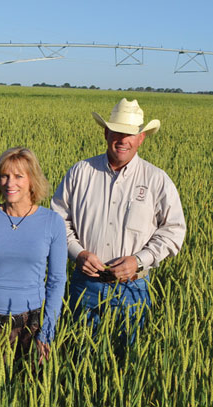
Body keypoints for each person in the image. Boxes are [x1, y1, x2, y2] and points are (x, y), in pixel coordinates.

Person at [51, 98, 186, 346]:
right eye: (117, 132)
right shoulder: (80, 172)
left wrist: (139, 260)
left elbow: (174, 230)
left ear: (141, 138)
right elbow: (57, 221)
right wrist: (78, 253)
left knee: (128, 366)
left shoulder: (157, 180)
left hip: (133, 289)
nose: (123, 140)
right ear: (106, 132)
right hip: (85, 286)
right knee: (81, 359)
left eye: (131, 134)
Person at [0, 147, 67, 376]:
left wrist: (47, 332)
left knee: (27, 392)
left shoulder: (52, 222)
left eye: (18, 176)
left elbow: (57, 280)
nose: (10, 183)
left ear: (32, 180)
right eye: (4, 175)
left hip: (31, 328)